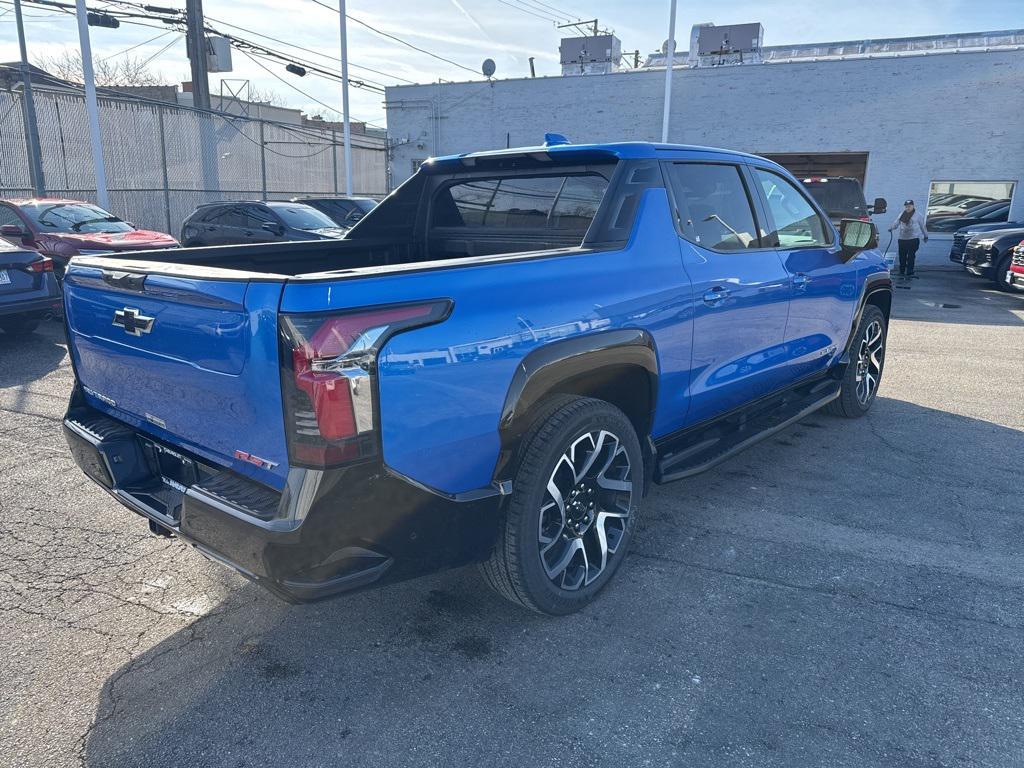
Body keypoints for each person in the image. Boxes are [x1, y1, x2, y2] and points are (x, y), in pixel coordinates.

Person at [889, 200, 928, 278]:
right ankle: (902, 271)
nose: (908, 208)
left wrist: (925, 235)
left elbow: (922, 226)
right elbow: (897, 222)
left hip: (913, 239)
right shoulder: (902, 214)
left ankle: (910, 271)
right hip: (902, 239)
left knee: (911, 256)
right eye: (906, 206)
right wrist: (892, 228)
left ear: (913, 206)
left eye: (909, 206)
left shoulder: (918, 215)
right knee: (902, 256)